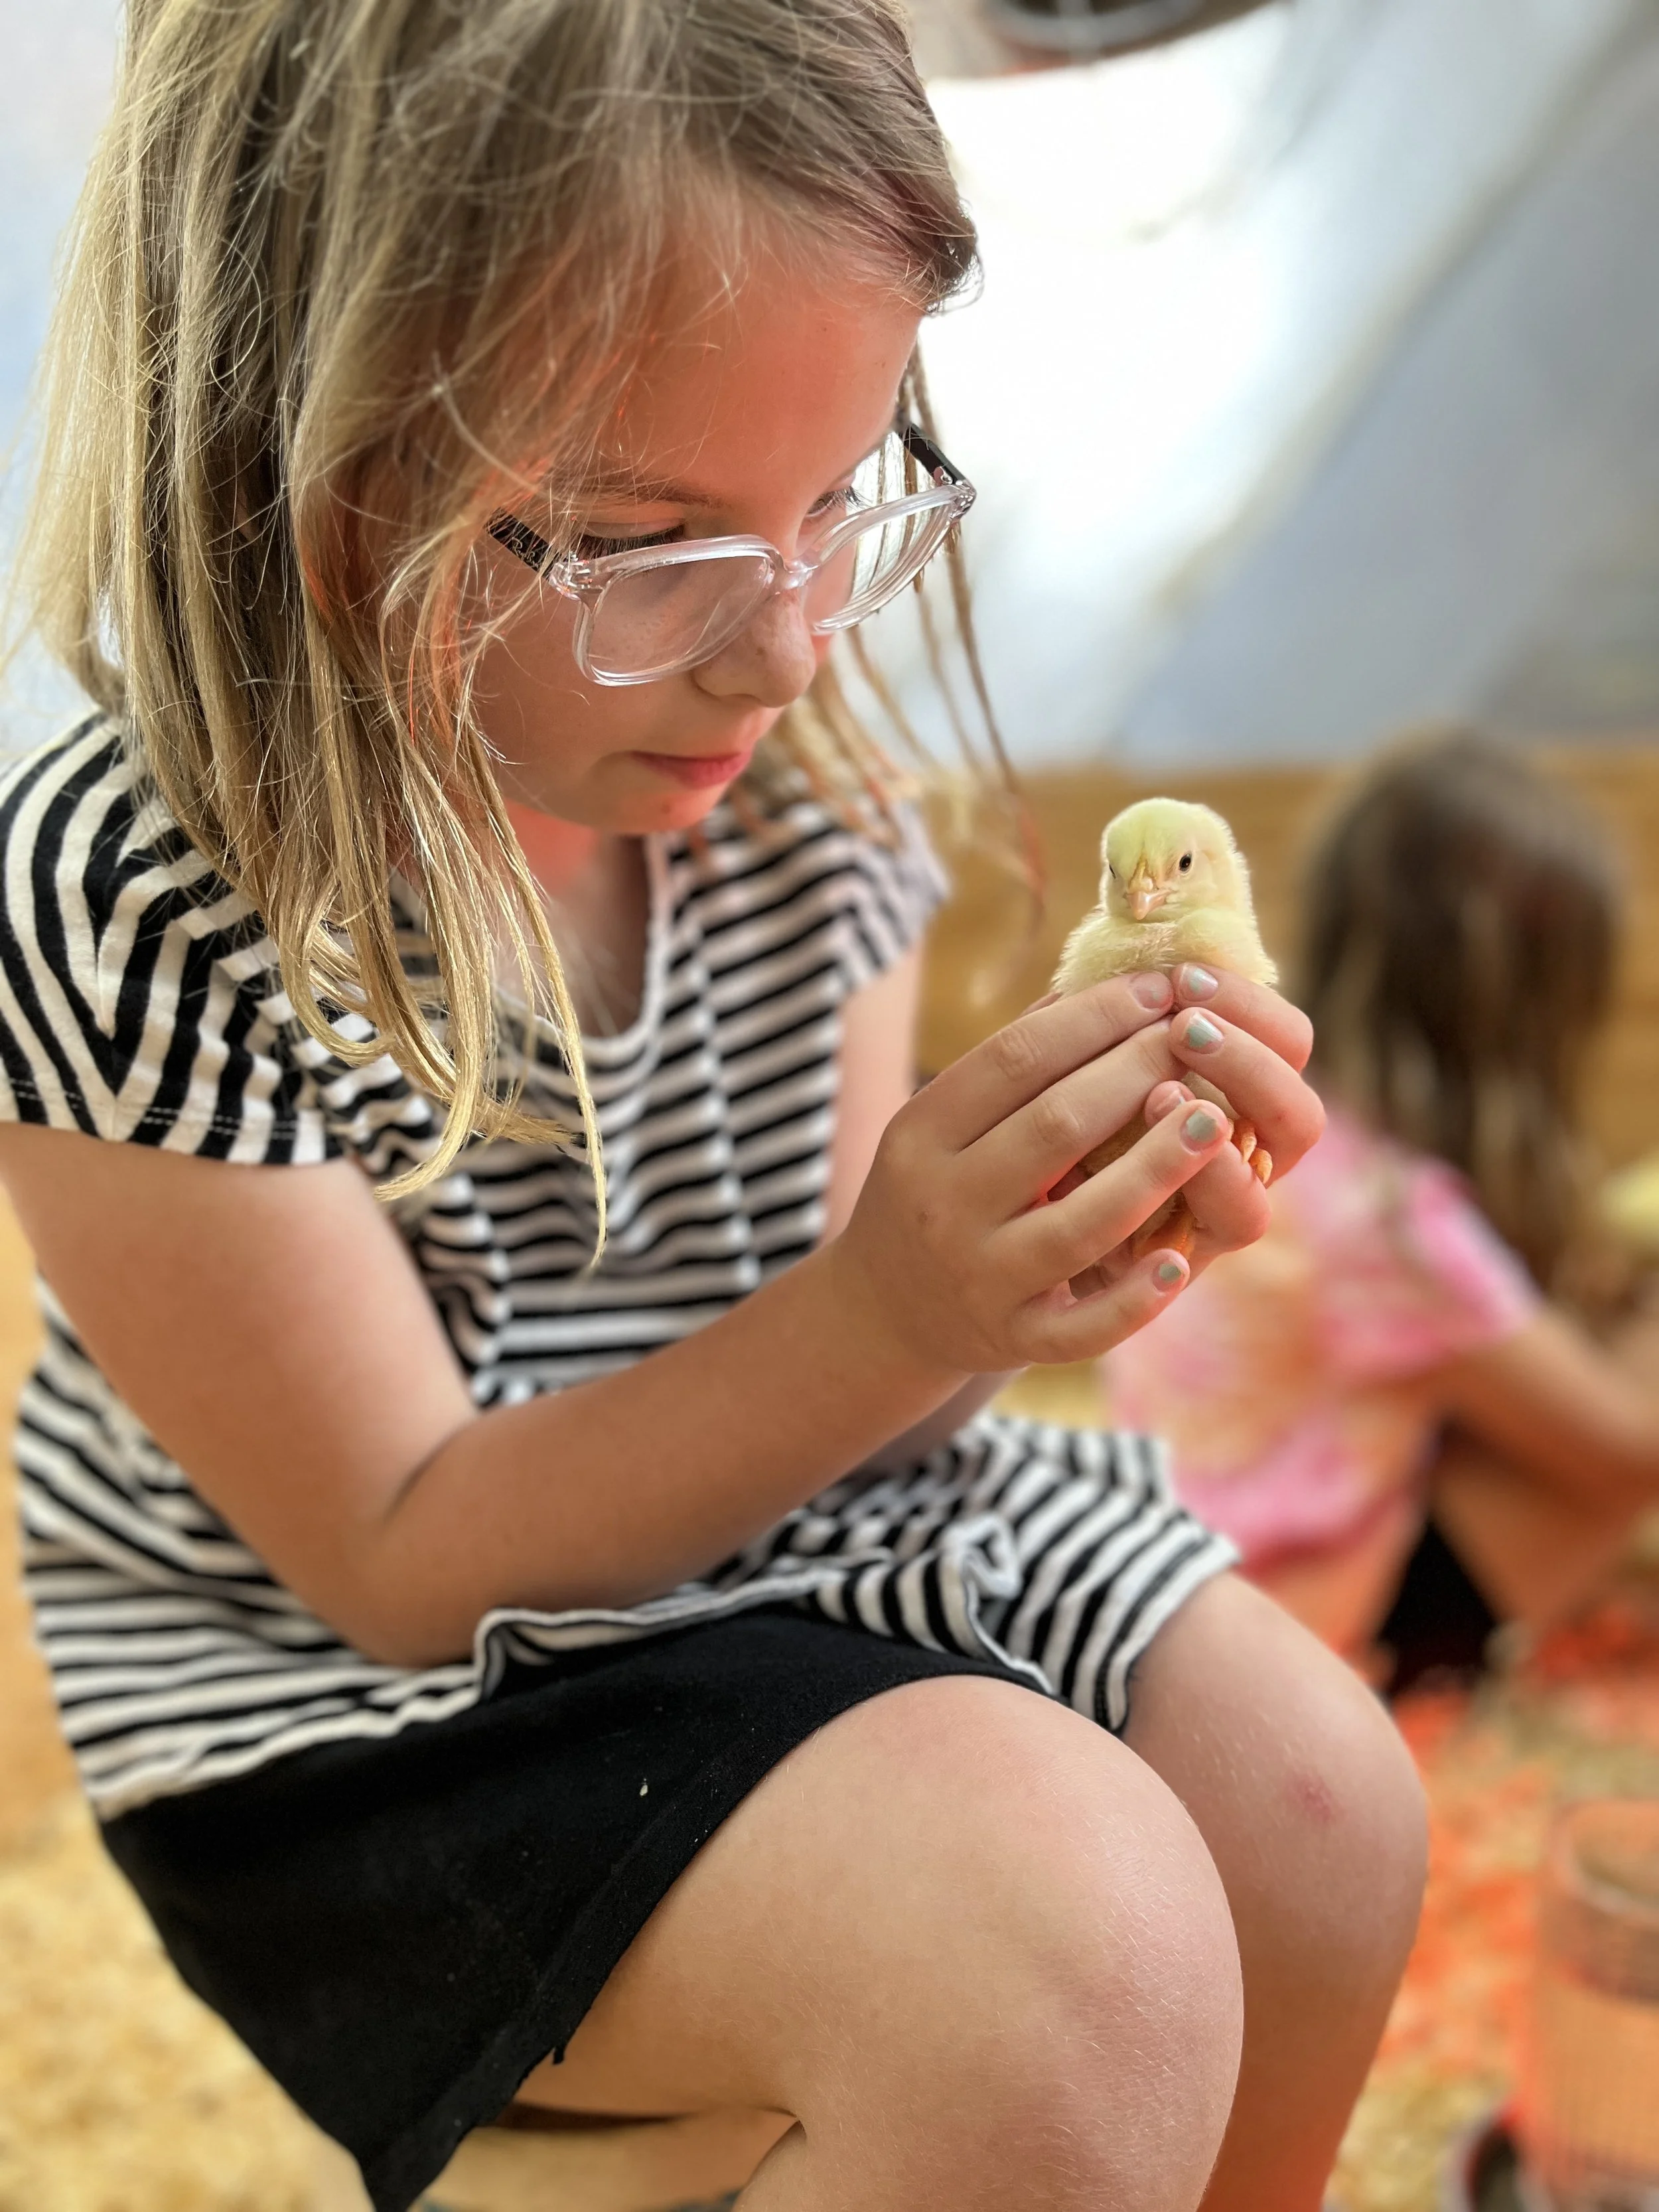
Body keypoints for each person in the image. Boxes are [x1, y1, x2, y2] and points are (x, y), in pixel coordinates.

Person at [0, 7, 1423, 2209]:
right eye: (647, 538)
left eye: (842, 496)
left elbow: (835, 1384)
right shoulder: (135, 888)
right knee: (1072, 1961)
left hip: (769, 1537)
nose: (780, 652)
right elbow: (397, 1561)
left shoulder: (808, 793)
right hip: (374, 1726)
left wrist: (1031, 1265)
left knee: (1326, 1811)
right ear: (313, 452)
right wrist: (892, 1312)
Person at [1104, 730, 1659, 1678]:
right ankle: (1407, 1670)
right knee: (1596, 1482)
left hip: (1172, 1563)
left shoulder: (1294, 1126)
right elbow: (1632, 1449)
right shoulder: (1392, 1221)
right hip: (1278, 1636)